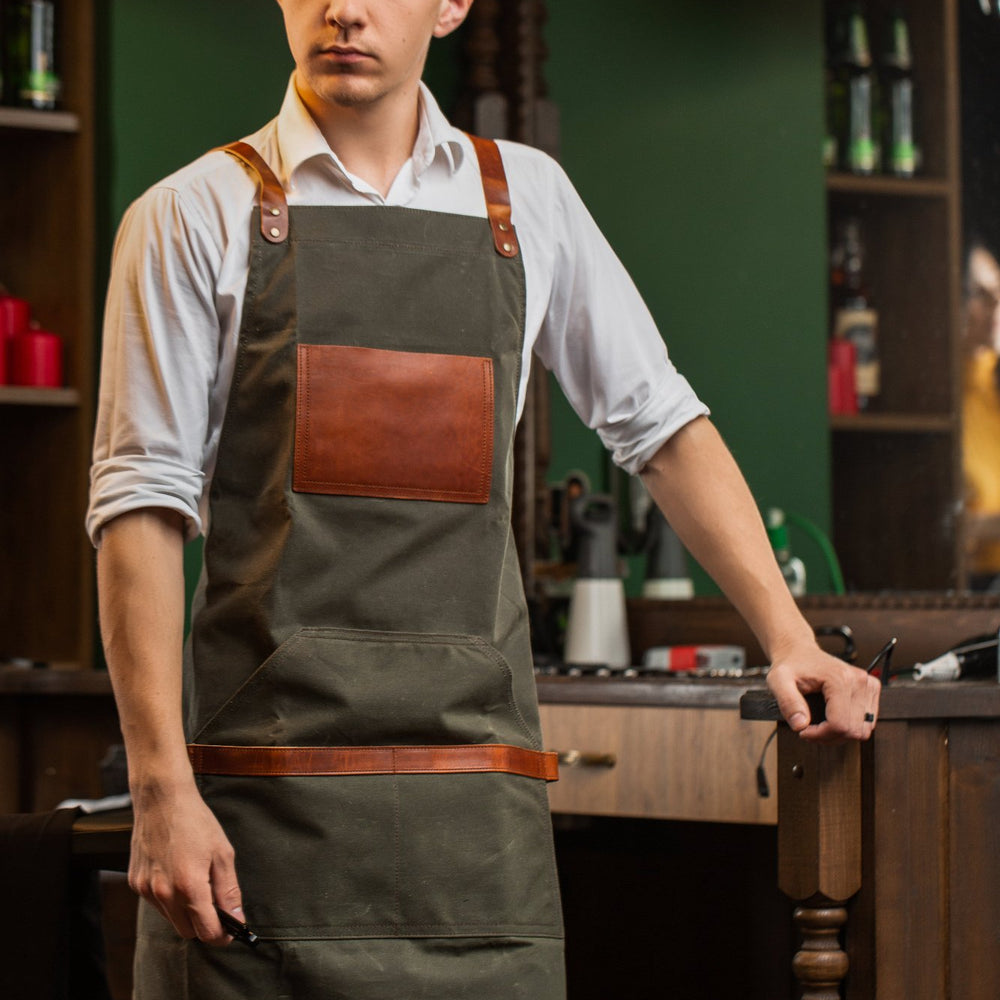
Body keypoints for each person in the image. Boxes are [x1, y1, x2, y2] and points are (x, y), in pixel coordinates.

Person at [87, 2, 880, 997]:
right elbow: (140, 511)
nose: (343, 7)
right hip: (257, 824)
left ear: (452, 3)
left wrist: (789, 637)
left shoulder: (528, 202)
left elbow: (660, 427)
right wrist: (161, 790)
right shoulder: (186, 214)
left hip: (477, 832)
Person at [962, 242, 1000, 589]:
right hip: (973, 585)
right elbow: (955, 528)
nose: (996, 309)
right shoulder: (942, 396)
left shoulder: (994, 378)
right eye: (984, 296)